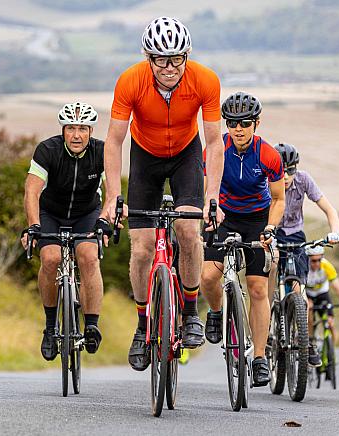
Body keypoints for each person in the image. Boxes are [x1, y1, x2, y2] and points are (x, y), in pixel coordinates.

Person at [101, 16, 225, 371]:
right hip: (146, 158)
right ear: (148, 57)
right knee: (141, 248)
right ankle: (142, 326)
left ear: (186, 55)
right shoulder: (130, 81)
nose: (170, 68)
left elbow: (215, 142)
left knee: (189, 232)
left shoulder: (205, 79)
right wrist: (112, 196)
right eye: (161, 60)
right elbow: (114, 140)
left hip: (186, 154)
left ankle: (189, 313)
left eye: (176, 59)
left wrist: (211, 198)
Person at [200, 92, 285, 386]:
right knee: (209, 276)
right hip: (223, 214)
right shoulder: (216, 148)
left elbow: (278, 199)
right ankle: (215, 312)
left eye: (245, 123)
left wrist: (271, 228)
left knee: (258, 287)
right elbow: (205, 185)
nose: (238, 128)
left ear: (256, 123)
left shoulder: (268, 155)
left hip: (257, 218)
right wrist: (210, 210)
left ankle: (259, 357)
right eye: (232, 122)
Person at [21, 102, 107, 360]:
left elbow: (113, 191)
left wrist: (105, 221)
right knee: (50, 259)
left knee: (89, 257)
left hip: (87, 213)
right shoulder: (48, 150)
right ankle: (50, 328)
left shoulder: (102, 151)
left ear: (91, 131)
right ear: (63, 130)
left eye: (82, 128)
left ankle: (91, 325)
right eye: (71, 128)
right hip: (51, 214)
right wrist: (34, 226)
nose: (77, 135)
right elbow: (32, 191)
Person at [272, 142, 339, 366]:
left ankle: (305, 340)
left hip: (295, 236)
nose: (285, 176)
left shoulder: (304, 180)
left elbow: (328, 208)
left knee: (299, 289)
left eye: (290, 170)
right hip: (271, 233)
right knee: (272, 264)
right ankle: (267, 325)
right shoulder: (266, 182)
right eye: (281, 171)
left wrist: (335, 232)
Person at [305, 245, 339, 350]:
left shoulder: (326, 266)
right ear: (308, 259)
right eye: (313, 260)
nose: (316, 263)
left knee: (330, 322)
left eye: (319, 260)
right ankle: (311, 340)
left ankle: (332, 351)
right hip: (307, 294)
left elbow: (337, 286)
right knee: (309, 311)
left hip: (322, 294)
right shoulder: (304, 267)